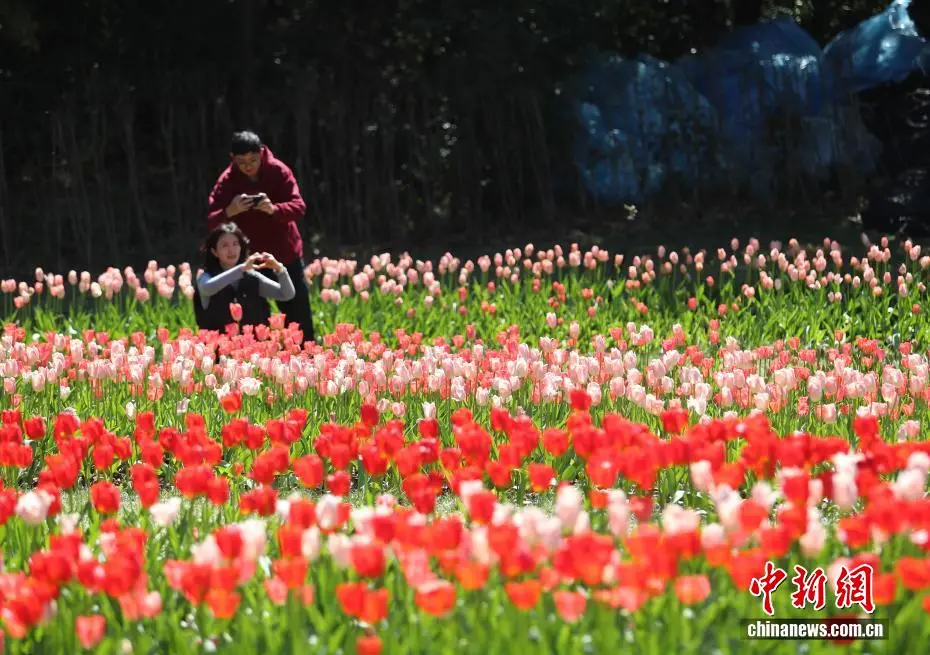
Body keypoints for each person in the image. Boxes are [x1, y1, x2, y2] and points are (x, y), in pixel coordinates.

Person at [206, 130, 315, 343]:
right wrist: (230, 211)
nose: (248, 166)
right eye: (242, 161)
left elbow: (299, 207)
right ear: (232, 158)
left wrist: (274, 209)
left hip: (284, 256)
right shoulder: (227, 181)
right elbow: (211, 220)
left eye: (253, 160)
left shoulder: (278, 171)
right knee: (254, 322)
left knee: (299, 318)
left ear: (262, 152)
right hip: (250, 263)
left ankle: (308, 361)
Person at [193, 222, 296, 332]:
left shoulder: (251, 277)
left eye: (235, 244)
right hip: (219, 346)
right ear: (215, 252)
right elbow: (207, 288)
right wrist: (241, 269)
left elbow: (287, 294)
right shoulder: (206, 276)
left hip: (252, 346)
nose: (231, 250)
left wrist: (280, 269)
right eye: (224, 245)